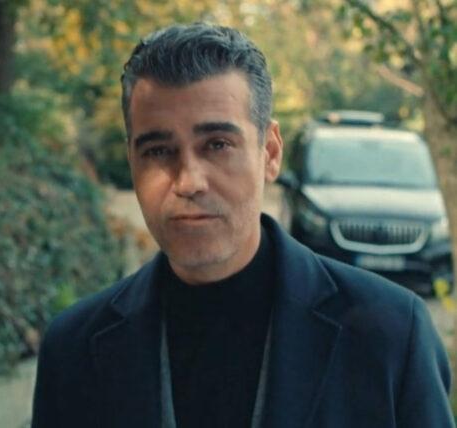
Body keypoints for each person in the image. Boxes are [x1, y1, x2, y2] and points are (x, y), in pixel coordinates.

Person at [31, 23, 454, 428]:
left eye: (217, 145)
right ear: (132, 162)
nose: (189, 181)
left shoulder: (391, 334)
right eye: (158, 150)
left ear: (270, 152)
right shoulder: (74, 348)